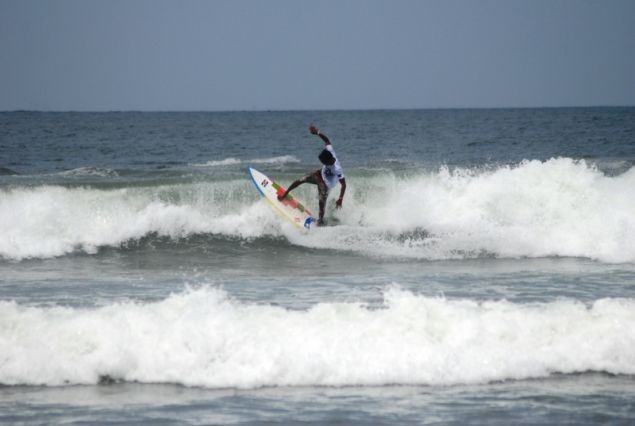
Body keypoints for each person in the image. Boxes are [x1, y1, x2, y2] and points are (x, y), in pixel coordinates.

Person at [277, 126, 346, 226]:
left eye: (324, 163)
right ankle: (285, 194)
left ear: (329, 161)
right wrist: (317, 132)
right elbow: (327, 140)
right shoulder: (330, 151)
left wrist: (340, 199)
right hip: (319, 174)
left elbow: (343, 185)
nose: (323, 163)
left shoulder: (337, 168)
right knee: (301, 179)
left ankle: (320, 221)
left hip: (326, 185)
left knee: (321, 204)